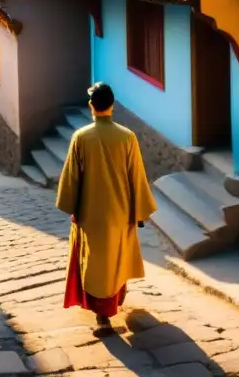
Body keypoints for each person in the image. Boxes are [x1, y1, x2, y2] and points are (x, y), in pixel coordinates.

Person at [56, 82, 157, 332]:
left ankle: (102, 317)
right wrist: (139, 211)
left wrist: (72, 206)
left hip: (91, 214)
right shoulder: (127, 136)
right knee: (117, 258)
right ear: (112, 105)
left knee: (95, 262)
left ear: (91, 106)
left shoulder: (81, 137)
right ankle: (115, 301)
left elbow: (72, 178)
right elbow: (137, 176)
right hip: (121, 212)